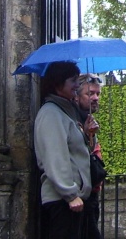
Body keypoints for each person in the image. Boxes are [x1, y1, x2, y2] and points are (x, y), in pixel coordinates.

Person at [34, 61, 91, 239]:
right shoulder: (51, 113)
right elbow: (55, 157)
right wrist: (70, 194)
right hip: (63, 200)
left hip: (72, 199)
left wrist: (88, 133)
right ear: (58, 84)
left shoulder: (66, 111)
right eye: (73, 80)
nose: (77, 85)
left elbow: (78, 152)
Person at [75, 73, 105, 239]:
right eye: (90, 93)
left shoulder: (88, 119)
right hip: (81, 196)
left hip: (92, 194)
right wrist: (87, 136)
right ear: (77, 97)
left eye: (97, 94)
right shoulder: (74, 120)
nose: (95, 98)